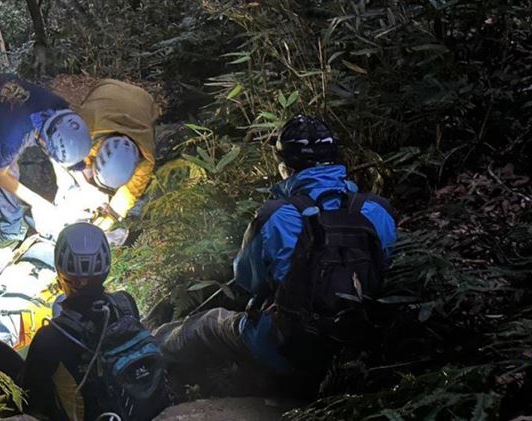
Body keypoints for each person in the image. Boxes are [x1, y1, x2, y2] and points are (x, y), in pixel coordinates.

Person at [154, 115, 398, 393]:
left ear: (287, 168)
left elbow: (246, 279)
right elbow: (384, 269)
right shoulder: (378, 210)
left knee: (204, 326)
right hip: (357, 349)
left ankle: (147, 358)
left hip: (286, 349)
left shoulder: (276, 215)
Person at [20, 223, 171, 421]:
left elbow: (30, 401)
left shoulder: (51, 337)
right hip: (138, 407)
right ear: (106, 269)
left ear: (60, 275)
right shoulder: (125, 303)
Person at [0, 74, 92, 268]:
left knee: (8, 166)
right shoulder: (14, 137)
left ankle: (9, 232)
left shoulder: (61, 110)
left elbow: (63, 155)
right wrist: (42, 204)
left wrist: (86, 187)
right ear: (43, 141)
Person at [58, 79, 159, 230]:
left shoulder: (146, 161)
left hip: (143, 99)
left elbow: (130, 192)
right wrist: (84, 182)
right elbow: (65, 157)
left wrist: (111, 217)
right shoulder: (84, 131)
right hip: (106, 89)